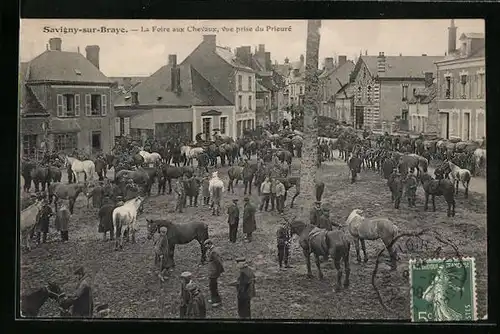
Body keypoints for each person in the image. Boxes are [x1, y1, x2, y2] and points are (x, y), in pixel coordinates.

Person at [205, 239, 224, 307]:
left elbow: (219, 262)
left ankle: (218, 301)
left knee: (213, 287)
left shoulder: (214, 252)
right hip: (212, 271)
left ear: (210, 244)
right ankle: (213, 299)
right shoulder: (211, 250)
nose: (205, 247)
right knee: (211, 286)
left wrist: (219, 271)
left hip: (214, 272)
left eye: (206, 245)